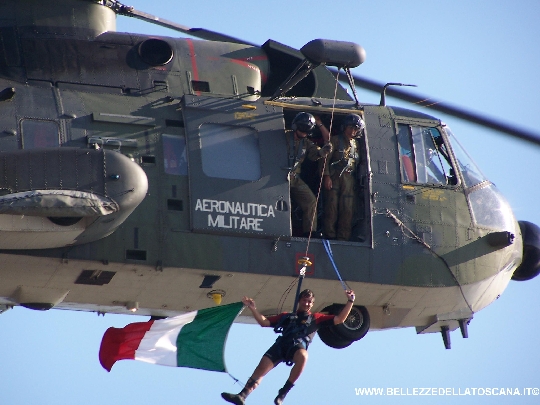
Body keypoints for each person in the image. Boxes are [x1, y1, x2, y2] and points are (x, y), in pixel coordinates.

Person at [221, 288, 356, 405]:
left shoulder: (316, 318)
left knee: (304, 356)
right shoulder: (287, 317)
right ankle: (243, 395)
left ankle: (283, 393)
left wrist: (350, 301)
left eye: (309, 302)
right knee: (261, 369)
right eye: (304, 300)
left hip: (297, 348)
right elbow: (265, 322)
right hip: (281, 346)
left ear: (312, 304)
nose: (307, 303)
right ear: (299, 300)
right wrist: (253, 308)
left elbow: (339, 319)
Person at [287, 112, 332, 237]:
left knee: (311, 201)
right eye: (302, 131)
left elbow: (314, 155)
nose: (303, 134)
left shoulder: (306, 143)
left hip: (294, 178)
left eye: (306, 132)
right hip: (280, 176)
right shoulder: (284, 137)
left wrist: (324, 151)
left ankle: (310, 232)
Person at [322, 113, 365, 241]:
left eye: (355, 129)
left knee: (347, 210)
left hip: (349, 180)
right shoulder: (335, 140)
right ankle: (329, 235)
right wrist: (326, 176)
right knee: (331, 208)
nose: (352, 131)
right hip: (335, 177)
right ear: (345, 127)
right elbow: (325, 160)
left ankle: (343, 238)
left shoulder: (356, 145)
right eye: (350, 127)